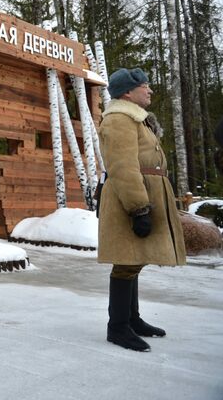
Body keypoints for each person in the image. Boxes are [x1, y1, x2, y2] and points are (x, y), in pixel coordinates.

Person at [97, 67, 186, 352]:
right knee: (126, 263)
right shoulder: (119, 119)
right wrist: (138, 208)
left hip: (147, 194)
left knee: (135, 260)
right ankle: (118, 327)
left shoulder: (136, 119)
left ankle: (132, 320)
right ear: (127, 92)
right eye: (144, 86)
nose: (150, 90)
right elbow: (123, 167)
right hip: (132, 197)